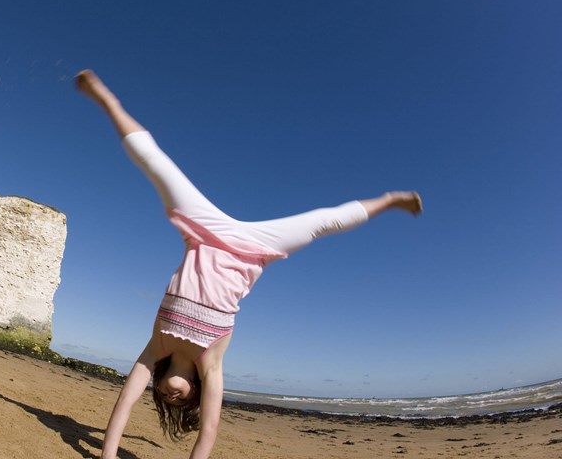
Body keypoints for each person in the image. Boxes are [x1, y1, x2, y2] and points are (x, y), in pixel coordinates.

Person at [74, 69, 422, 459]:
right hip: (252, 250)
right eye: (180, 399)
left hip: (204, 233)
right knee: (326, 222)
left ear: (156, 386)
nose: (172, 395)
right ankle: (390, 200)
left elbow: (125, 402)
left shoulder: (155, 349)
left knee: (154, 161)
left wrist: (106, 456)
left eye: (165, 397)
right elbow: (209, 431)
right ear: (194, 393)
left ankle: (107, 99)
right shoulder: (212, 364)